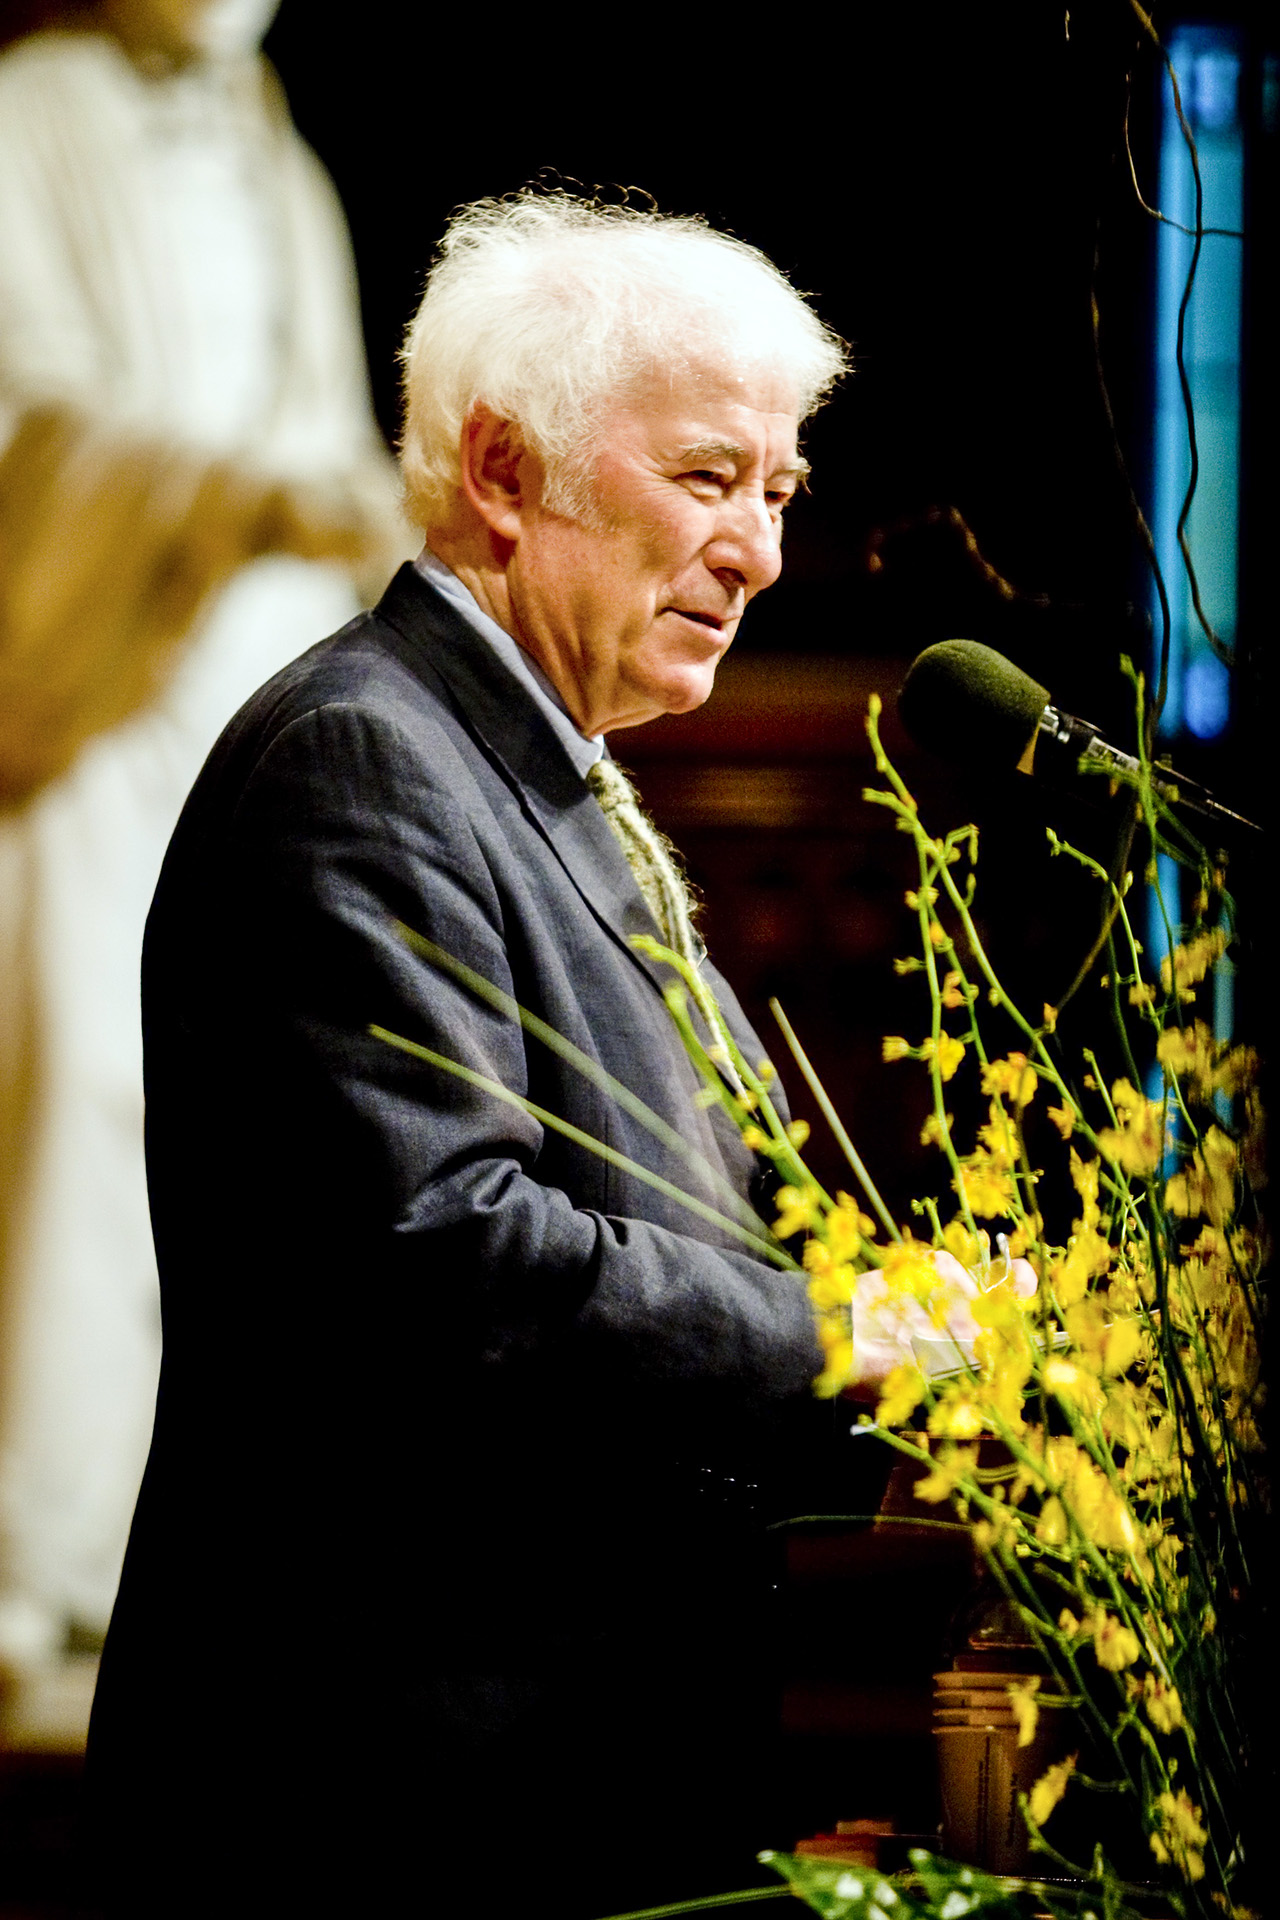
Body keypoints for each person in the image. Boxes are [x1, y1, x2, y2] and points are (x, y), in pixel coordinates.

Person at [85, 192, 848, 1917]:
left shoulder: (518, 759)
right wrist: (856, 1341)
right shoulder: (360, 762)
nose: (761, 553)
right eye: (710, 479)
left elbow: (704, 1214)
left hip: (558, 1776)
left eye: (780, 494)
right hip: (392, 1808)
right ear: (504, 472)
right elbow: (452, 1262)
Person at [0, 0, 404, 1684]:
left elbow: (334, 419)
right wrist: (233, 493)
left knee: (272, 1101)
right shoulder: (36, 109)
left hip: (268, 686)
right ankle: (43, 1547)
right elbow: (27, 418)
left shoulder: (272, 144)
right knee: (90, 1081)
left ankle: (227, 1547)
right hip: (100, 680)